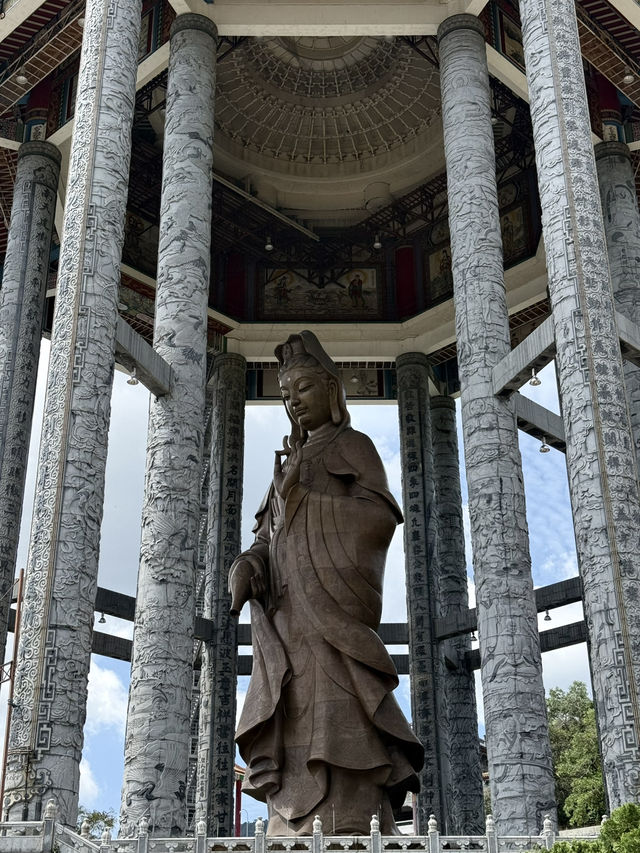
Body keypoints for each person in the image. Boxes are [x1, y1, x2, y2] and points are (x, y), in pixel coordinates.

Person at [229, 331, 423, 836]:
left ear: (332, 392)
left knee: (344, 712)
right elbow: (269, 537)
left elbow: (379, 518)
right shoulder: (287, 464)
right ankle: (288, 822)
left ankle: (353, 817)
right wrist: (251, 564)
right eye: (287, 395)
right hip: (290, 618)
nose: (294, 402)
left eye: (305, 390)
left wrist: (309, 499)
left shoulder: (354, 447)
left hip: (336, 611)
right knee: (289, 705)